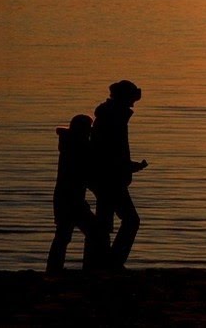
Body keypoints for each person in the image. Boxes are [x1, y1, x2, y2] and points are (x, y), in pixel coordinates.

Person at [85, 79, 149, 271]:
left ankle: (97, 264)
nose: (134, 102)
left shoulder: (111, 115)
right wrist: (127, 167)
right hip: (109, 178)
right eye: (132, 97)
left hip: (106, 176)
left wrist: (129, 166)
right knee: (130, 220)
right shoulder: (113, 117)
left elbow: (112, 152)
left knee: (103, 223)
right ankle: (111, 263)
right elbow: (110, 153)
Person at [45, 114, 109, 273]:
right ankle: (89, 266)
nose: (90, 131)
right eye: (88, 128)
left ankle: (54, 269)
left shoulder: (70, 144)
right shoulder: (78, 147)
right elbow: (87, 171)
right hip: (71, 199)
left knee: (63, 234)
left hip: (65, 197)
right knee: (94, 233)